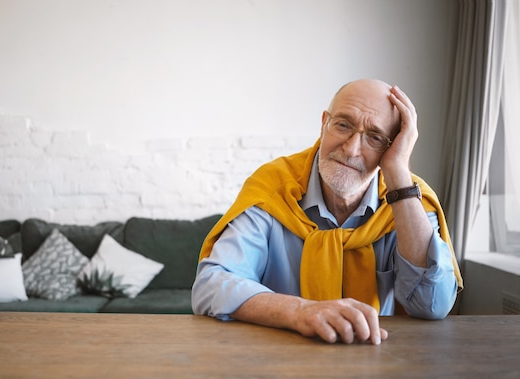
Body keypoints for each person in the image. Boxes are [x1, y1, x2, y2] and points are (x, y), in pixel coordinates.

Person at [191, 79, 463, 345]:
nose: (351, 149)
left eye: (375, 138)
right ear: (324, 123)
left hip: (378, 360)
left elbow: (432, 305)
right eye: (343, 125)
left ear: (392, 147)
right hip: (275, 357)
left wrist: (399, 176)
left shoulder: (407, 199)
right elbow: (212, 284)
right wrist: (299, 311)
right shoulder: (274, 185)